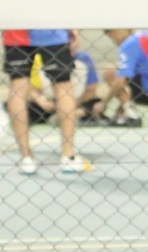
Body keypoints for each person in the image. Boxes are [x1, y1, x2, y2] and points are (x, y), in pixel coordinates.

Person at [5, 29, 89, 175]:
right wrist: (71, 28)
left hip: (16, 31)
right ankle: (68, 156)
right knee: (63, 86)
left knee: (18, 88)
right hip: (52, 31)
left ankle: (26, 159)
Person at [103, 29, 148, 126]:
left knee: (111, 73)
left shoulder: (129, 44)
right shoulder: (146, 35)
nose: (115, 41)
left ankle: (133, 116)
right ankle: (126, 110)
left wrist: (104, 103)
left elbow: (120, 80)